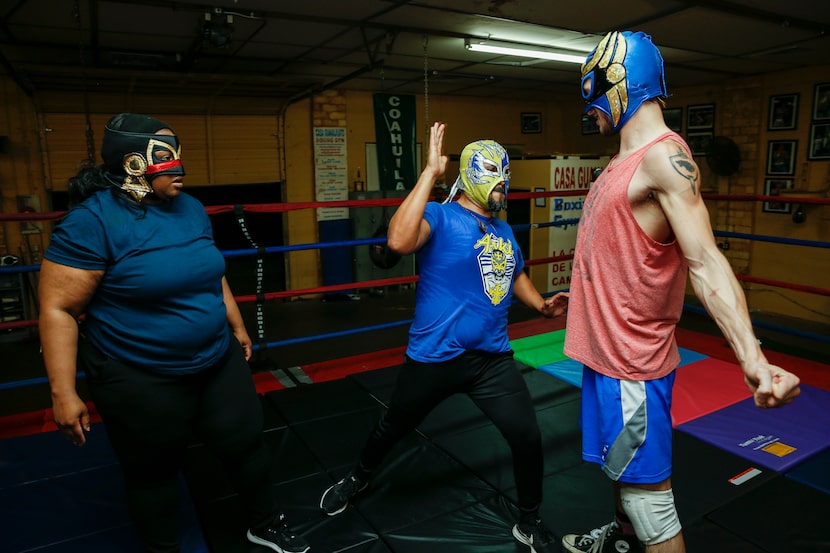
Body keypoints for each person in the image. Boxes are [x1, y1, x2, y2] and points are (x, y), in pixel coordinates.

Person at [559, 31, 801, 553]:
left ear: (614, 83)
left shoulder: (663, 159)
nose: (589, 110)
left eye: (591, 94)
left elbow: (706, 261)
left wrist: (753, 360)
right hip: (605, 358)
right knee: (620, 472)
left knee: (652, 504)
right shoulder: (623, 162)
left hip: (631, 368)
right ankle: (620, 542)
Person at [38, 113, 310, 553]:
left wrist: (236, 325)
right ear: (131, 163)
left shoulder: (191, 208)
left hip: (216, 359)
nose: (180, 167)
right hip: (139, 375)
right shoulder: (93, 222)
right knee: (153, 472)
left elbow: (210, 271)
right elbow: (58, 308)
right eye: (165, 157)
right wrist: (62, 392)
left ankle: (264, 524)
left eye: (178, 155)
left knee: (246, 445)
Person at [318, 122, 568, 552]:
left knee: (527, 436)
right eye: (496, 174)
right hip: (435, 358)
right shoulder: (441, 215)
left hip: (491, 361)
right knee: (392, 426)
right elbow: (397, 240)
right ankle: (358, 477)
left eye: (506, 175)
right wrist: (430, 174)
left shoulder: (505, 231)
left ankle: (528, 520)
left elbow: (516, 276)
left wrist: (542, 305)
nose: (504, 183)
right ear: (473, 175)